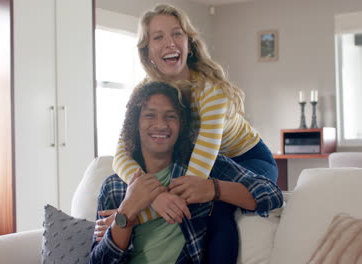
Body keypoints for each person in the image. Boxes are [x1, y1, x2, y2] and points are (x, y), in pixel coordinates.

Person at [112, 4, 280, 263]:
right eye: (158, 37)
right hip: (206, 161)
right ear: (147, 52)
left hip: (248, 159)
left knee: (215, 210)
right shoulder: (145, 92)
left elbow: (193, 179)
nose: (170, 42)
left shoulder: (211, 93)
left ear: (188, 43)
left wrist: (126, 218)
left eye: (177, 34)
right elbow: (120, 156)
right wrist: (151, 198)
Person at [90, 81, 283, 263]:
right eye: (150, 115)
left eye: (170, 116)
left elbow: (270, 194)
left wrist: (213, 188)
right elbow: (98, 261)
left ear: (181, 125)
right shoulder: (114, 187)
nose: (160, 124)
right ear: (135, 124)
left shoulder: (201, 170)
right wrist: (126, 212)